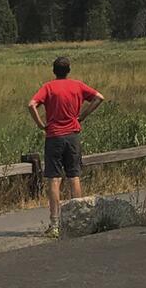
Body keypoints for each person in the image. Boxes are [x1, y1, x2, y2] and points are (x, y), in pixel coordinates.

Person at [28, 55, 103, 238]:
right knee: (73, 175)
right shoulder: (77, 85)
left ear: (54, 71)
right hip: (72, 135)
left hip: (54, 135)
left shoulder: (48, 87)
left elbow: (32, 104)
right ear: (68, 70)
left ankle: (55, 223)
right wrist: (82, 116)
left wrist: (40, 124)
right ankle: (77, 218)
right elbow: (99, 97)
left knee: (54, 179)